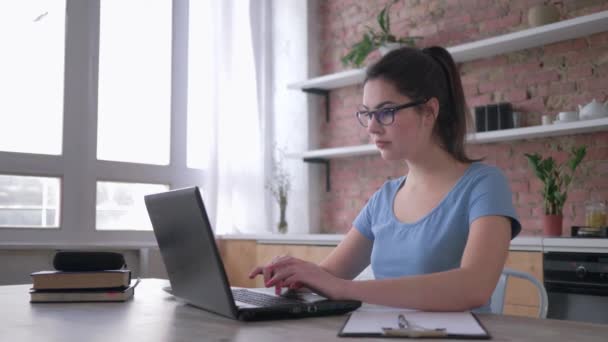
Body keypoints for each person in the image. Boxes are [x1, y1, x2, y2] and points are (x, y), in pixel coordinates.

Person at [249, 46, 521, 312]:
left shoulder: (484, 184)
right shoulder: (384, 198)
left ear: (429, 112)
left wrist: (343, 289)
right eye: (367, 113)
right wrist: (296, 275)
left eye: (386, 112)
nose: (371, 127)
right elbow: (330, 276)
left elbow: (473, 287)